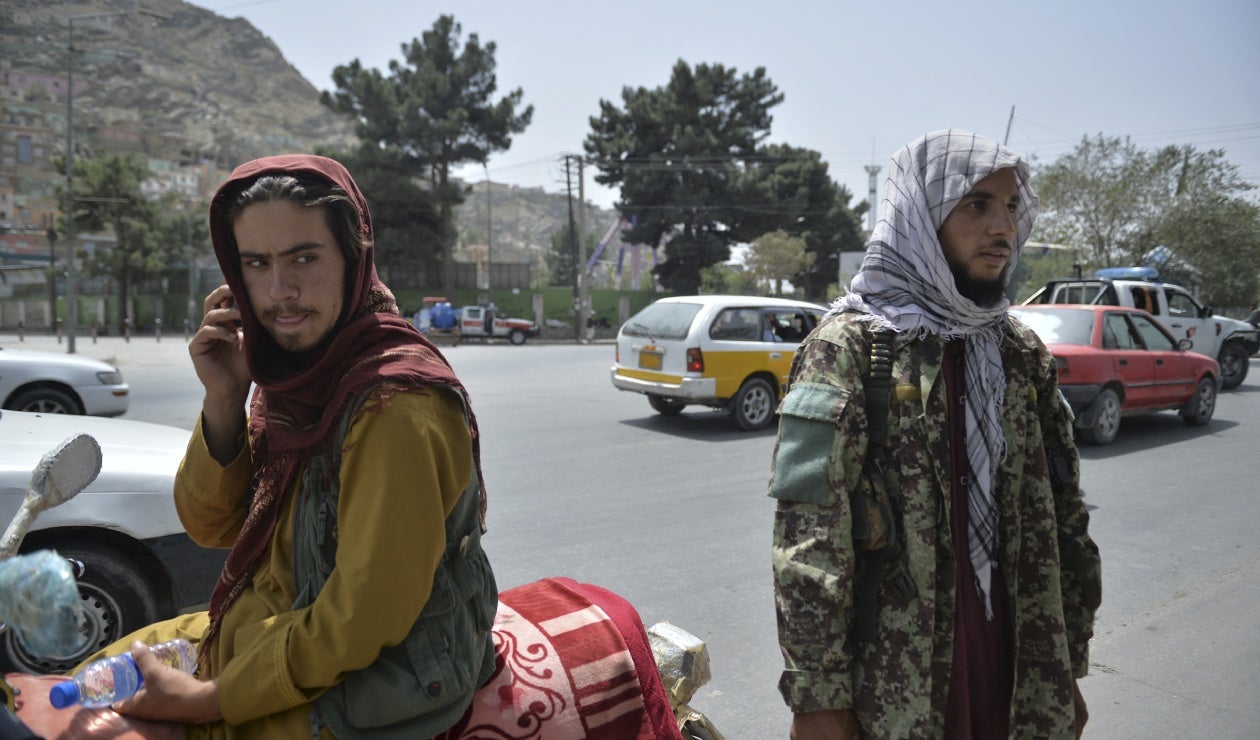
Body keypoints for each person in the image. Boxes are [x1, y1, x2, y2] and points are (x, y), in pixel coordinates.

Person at [79, 154, 498, 738]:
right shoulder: (290, 379)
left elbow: (362, 617)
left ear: (354, 258)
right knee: (87, 682)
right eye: (257, 263)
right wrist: (224, 398)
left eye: (304, 257)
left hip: (380, 678)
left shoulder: (394, 405)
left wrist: (208, 701)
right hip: (274, 631)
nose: (280, 291)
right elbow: (210, 526)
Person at [769, 130, 1102, 739]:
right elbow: (809, 538)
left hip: (1017, 659)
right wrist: (817, 697)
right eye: (977, 204)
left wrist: (1065, 664)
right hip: (900, 681)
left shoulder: (1020, 354)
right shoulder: (847, 349)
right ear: (921, 218)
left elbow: (1064, 515)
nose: (1003, 225)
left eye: (1009, 206)